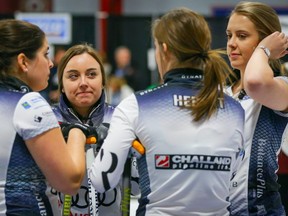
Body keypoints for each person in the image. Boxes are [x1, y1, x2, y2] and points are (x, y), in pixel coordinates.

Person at [89, 7, 245, 215]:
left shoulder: (136, 105)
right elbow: (232, 175)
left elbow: (102, 181)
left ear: (164, 49)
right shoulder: (235, 108)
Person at [0, 19, 89, 215]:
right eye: (45, 54)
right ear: (23, 61)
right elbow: (70, 181)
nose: (50, 64)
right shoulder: (28, 103)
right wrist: (77, 132)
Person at [50, 43, 139, 215]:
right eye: (73, 76)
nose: (83, 83)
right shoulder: (45, 120)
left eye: (91, 74)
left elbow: (136, 188)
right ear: (61, 84)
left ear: (103, 80)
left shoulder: (120, 119)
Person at [225, 1, 288, 215]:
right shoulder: (221, 91)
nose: (232, 43)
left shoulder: (281, 85)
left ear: (265, 41)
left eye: (242, 36)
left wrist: (264, 50)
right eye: (229, 35)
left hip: (260, 210)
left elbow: (255, 83)